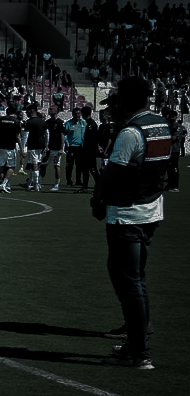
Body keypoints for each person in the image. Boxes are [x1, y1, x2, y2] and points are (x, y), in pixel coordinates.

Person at [90, 76, 172, 370]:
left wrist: (97, 200)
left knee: (128, 279)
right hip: (151, 208)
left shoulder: (131, 132)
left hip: (128, 212)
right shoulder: (159, 124)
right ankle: (139, 334)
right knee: (132, 275)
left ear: (125, 99)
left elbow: (113, 172)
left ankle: (139, 350)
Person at [0, 106, 22, 193]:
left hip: (0, 146)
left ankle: (0, 184)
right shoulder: (16, 122)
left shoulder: (0, 120)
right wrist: (21, 148)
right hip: (10, 147)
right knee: (11, 167)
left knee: (1, 166)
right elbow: (18, 136)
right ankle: (4, 184)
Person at [23, 104, 48, 192]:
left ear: (32, 111)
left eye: (27, 111)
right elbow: (47, 134)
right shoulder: (42, 121)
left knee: (34, 165)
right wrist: (46, 145)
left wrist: (23, 148)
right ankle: (31, 182)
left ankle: (36, 185)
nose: (26, 112)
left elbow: (26, 135)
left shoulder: (29, 122)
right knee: (35, 164)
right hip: (41, 146)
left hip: (32, 145)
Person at [44, 104, 66, 191]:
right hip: (48, 148)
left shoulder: (60, 123)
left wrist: (61, 148)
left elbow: (62, 136)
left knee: (56, 165)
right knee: (43, 165)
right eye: (49, 109)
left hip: (56, 148)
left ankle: (56, 184)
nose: (50, 111)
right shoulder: (47, 122)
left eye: (52, 109)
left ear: (57, 111)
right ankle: (39, 182)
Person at [64, 106, 86, 187]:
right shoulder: (69, 123)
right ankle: (69, 180)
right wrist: (66, 142)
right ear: (73, 114)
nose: (77, 115)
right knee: (69, 165)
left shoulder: (83, 123)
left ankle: (78, 180)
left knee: (79, 165)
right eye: (76, 113)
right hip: (72, 147)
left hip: (80, 147)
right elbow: (64, 134)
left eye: (79, 113)